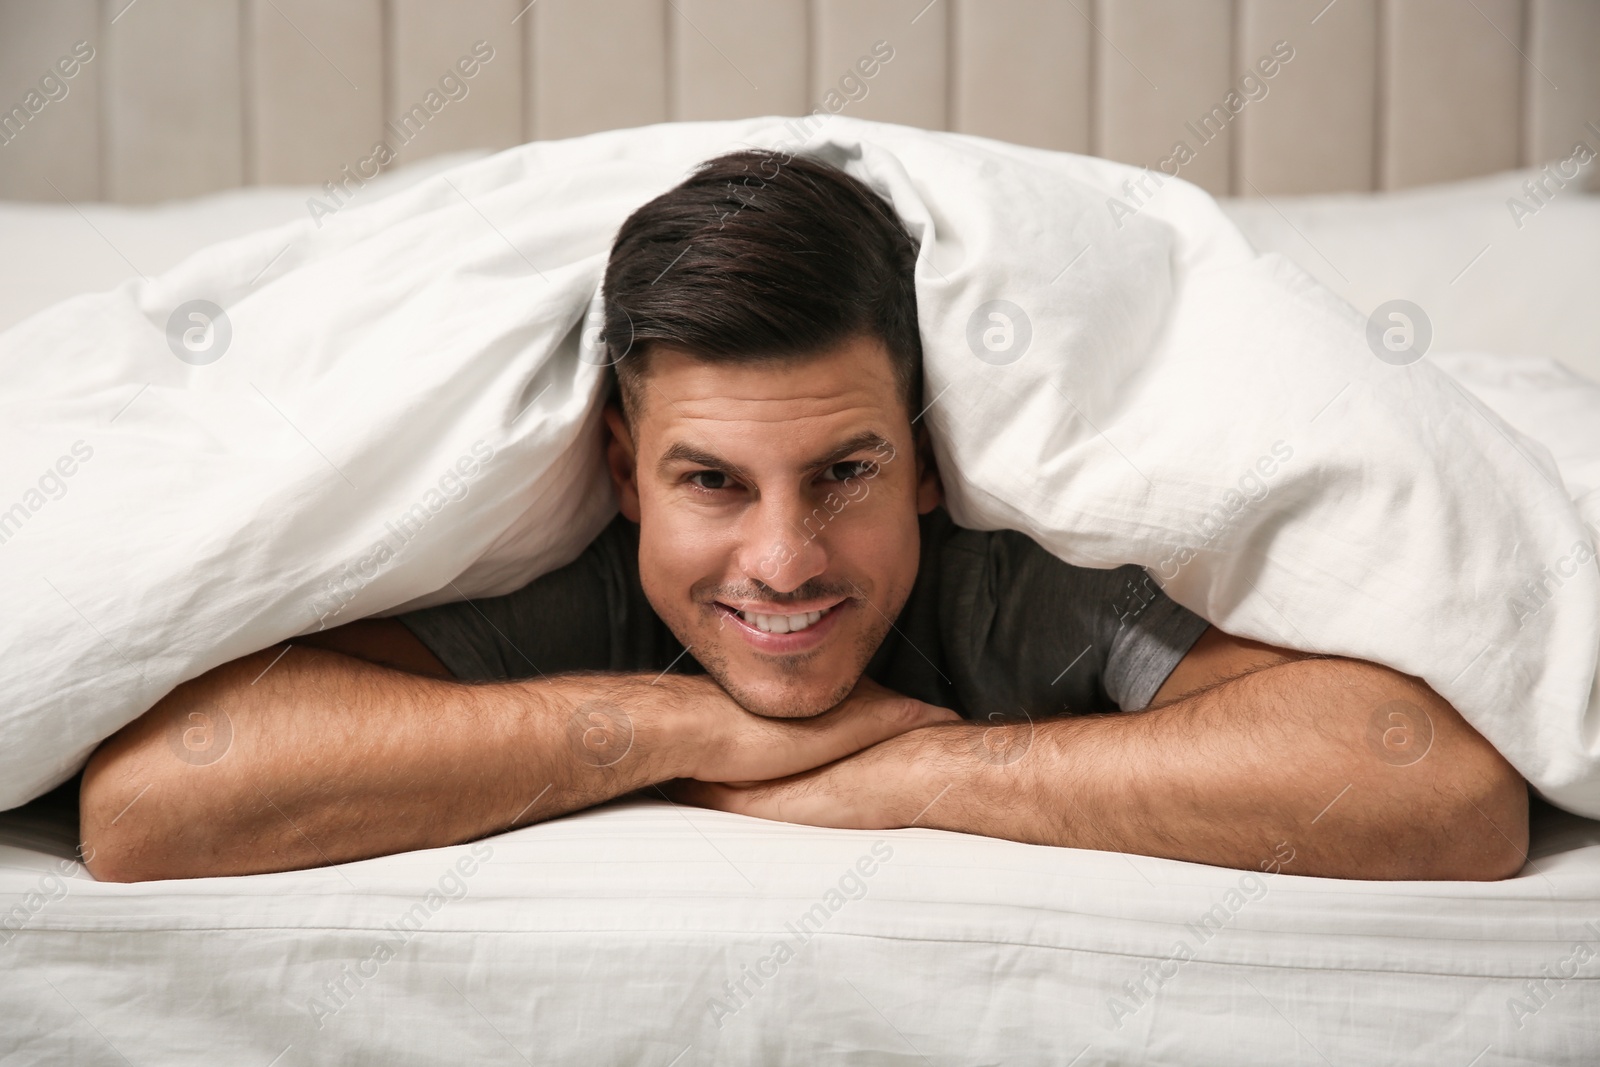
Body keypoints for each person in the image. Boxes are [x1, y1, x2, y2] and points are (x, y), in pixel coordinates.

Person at [79, 152, 1528, 883]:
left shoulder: (1015, 573)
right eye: (712, 481)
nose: (783, 563)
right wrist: (688, 730)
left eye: (845, 473)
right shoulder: (572, 578)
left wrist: (911, 777)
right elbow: (149, 805)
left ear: (931, 464)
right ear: (624, 469)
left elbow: (1441, 789)